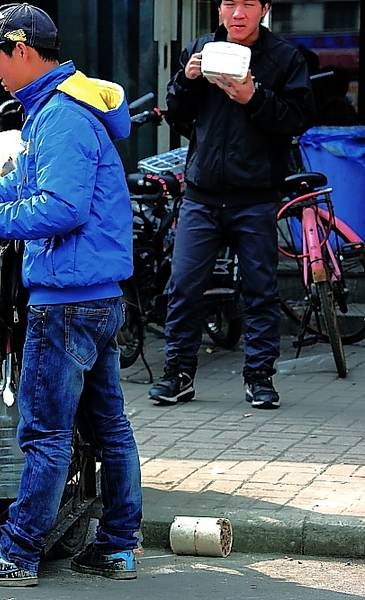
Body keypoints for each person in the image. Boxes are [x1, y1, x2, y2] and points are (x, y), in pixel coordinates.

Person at [0, 3, 142, 587]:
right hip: (94, 295)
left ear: (21, 50)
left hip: (66, 300)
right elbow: (25, 181)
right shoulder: (56, 107)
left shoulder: (62, 116)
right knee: (107, 426)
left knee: (45, 435)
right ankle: (118, 547)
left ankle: (15, 554)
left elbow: (61, 207)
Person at [149, 0, 316, 410]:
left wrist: (254, 97)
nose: (237, 14)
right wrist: (187, 81)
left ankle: (259, 378)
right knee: (184, 287)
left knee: (260, 291)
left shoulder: (284, 58)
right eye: (229, 4)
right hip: (202, 195)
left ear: (264, 9)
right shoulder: (202, 49)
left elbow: (298, 119)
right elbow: (178, 115)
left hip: (256, 195)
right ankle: (179, 374)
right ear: (220, 10)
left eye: (246, 5)